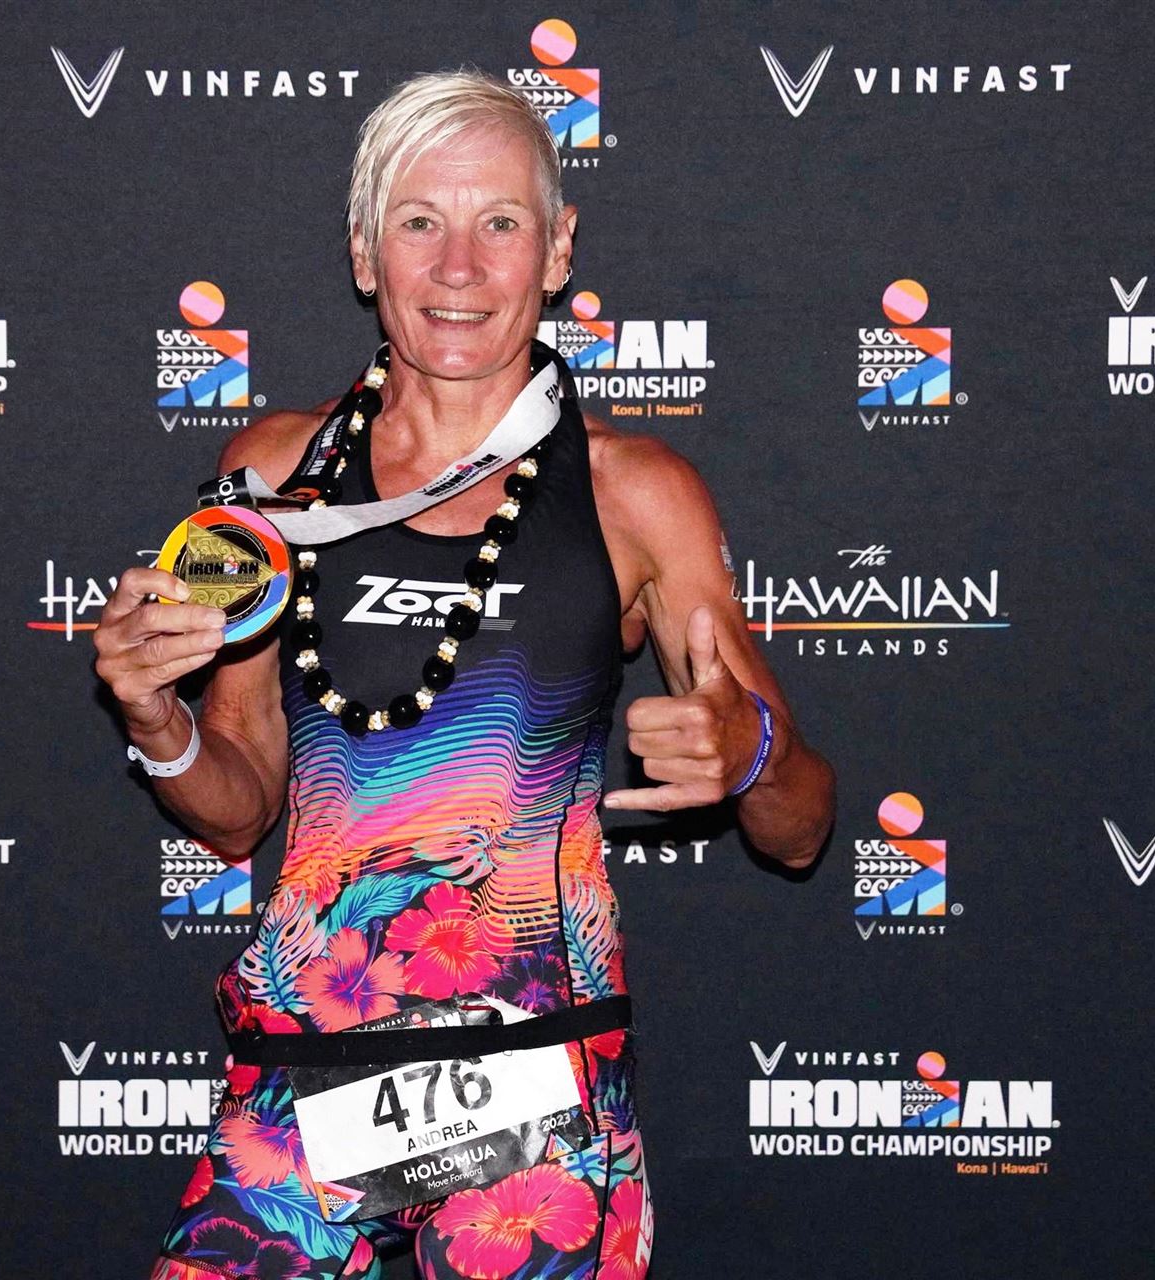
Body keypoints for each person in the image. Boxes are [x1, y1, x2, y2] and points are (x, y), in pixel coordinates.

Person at [94, 69, 835, 1280]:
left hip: (540, 1090)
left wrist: (750, 748)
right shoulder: (274, 475)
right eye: (419, 222)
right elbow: (238, 806)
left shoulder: (635, 491)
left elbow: (799, 832)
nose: (459, 267)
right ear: (363, 251)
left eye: (500, 222)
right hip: (309, 1077)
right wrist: (153, 714)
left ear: (558, 250)